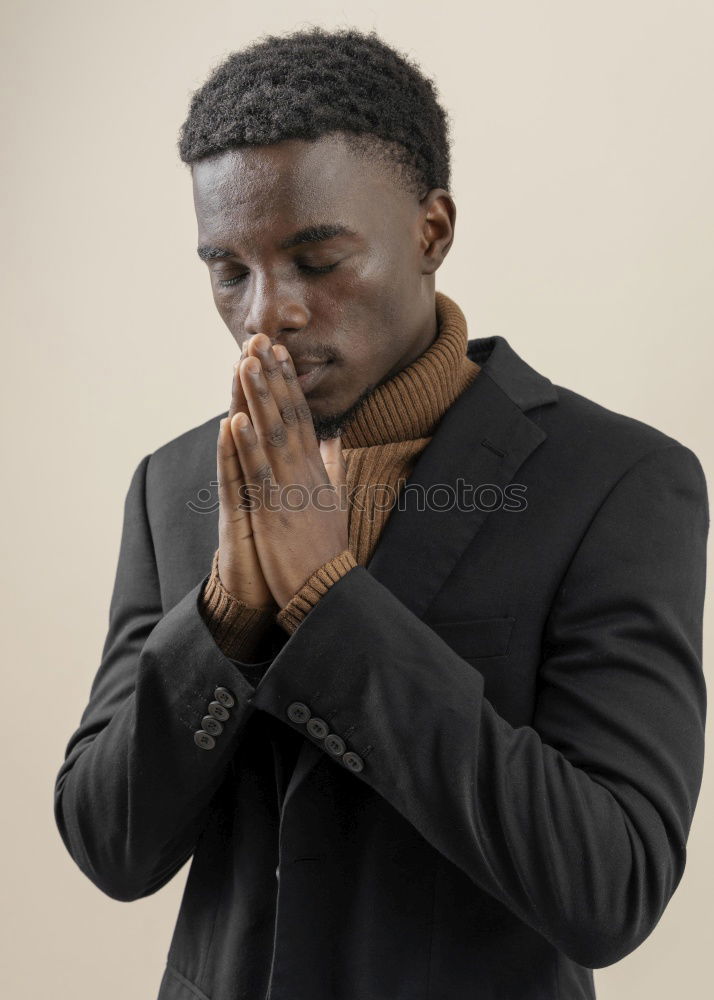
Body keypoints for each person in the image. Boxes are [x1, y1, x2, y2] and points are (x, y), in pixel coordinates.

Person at [53, 25, 709, 1000]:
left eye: (316, 258)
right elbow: (112, 844)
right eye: (228, 268)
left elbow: (609, 885)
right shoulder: (174, 482)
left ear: (431, 230)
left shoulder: (618, 480)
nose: (266, 311)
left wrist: (327, 597)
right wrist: (228, 612)